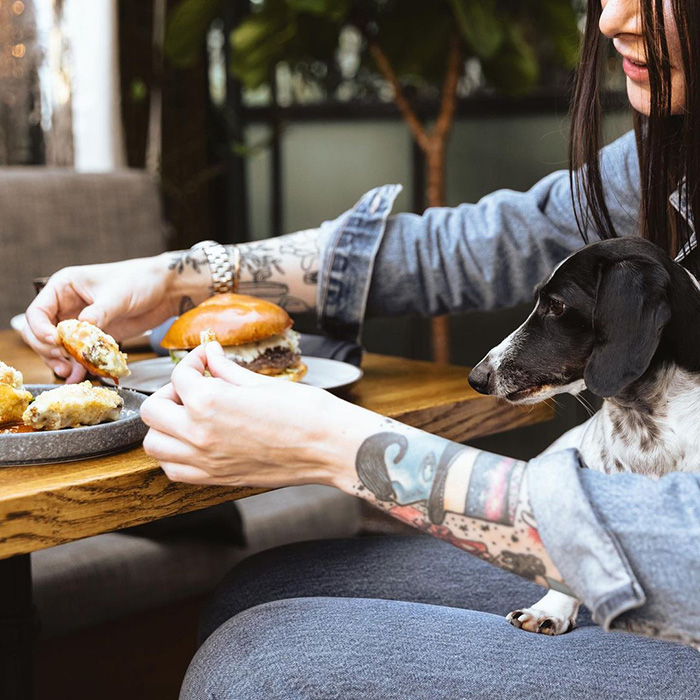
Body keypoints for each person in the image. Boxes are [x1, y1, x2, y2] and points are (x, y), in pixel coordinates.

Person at [23, 0, 700, 697]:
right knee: (265, 587)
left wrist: (352, 452)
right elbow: (473, 245)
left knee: (263, 664)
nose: (611, 18)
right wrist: (180, 277)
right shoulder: (671, 150)